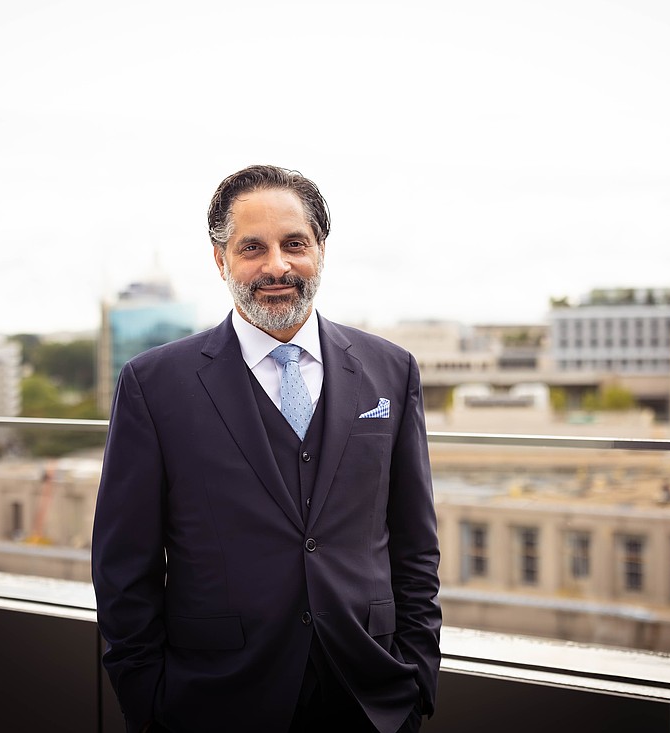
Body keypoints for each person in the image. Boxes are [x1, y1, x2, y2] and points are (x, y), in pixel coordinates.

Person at [92, 165, 441, 733]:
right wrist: (149, 702)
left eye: (294, 244)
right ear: (220, 259)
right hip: (213, 702)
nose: (276, 265)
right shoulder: (153, 385)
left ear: (320, 251)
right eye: (252, 247)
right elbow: (122, 565)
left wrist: (417, 675)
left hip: (370, 697)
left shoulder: (391, 370)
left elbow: (415, 544)